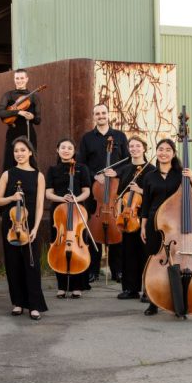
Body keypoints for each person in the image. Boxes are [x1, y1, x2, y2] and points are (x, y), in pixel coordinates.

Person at [140, 138, 192, 316]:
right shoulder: (149, 176)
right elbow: (145, 204)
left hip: (176, 226)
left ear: (174, 154)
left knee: (177, 262)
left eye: (168, 150)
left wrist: (191, 177)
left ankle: (178, 300)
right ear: (156, 152)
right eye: (160, 149)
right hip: (154, 223)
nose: (164, 152)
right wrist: (143, 226)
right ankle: (153, 301)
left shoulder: (180, 175)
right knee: (153, 261)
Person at [0, 137, 47, 319]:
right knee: (13, 264)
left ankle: (34, 305)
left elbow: (40, 204)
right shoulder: (7, 174)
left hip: (31, 224)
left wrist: (36, 228)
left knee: (31, 265)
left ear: (30, 152)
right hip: (11, 225)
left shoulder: (38, 175)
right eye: (16, 151)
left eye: (23, 150)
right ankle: (17, 302)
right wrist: (12, 198)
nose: (19, 154)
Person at [77, 103, 128, 283]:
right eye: (97, 113)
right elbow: (81, 164)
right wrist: (94, 176)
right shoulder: (87, 139)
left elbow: (127, 162)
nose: (101, 116)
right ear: (94, 116)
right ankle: (93, 270)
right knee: (94, 231)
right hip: (95, 191)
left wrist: (117, 172)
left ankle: (118, 271)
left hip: (115, 191)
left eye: (103, 113)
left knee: (117, 230)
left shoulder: (120, 137)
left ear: (108, 114)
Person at [45, 138, 92, 298]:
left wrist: (76, 199)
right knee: (58, 247)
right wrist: (62, 198)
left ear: (74, 151)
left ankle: (77, 286)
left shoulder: (82, 168)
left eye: (69, 148)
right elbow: (48, 193)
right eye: (63, 147)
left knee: (79, 246)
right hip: (58, 212)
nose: (66, 150)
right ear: (57, 150)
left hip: (78, 212)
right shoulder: (52, 170)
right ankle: (61, 286)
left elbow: (87, 191)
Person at [115, 136, 155, 300]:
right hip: (127, 217)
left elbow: (155, 195)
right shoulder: (125, 170)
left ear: (144, 148)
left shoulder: (151, 169)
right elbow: (119, 196)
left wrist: (140, 190)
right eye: (131, 146)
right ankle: (130, 289)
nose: (134, 149)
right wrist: (118, 213)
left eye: (138, 146)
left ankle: (147, 290)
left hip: (143, 216)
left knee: (145, 254)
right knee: (128, 254)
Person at [0, 69, 41, 170]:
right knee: (10, 161)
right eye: (17, 78)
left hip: (28, 132)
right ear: (14, 79)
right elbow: (0, 113)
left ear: (26, 79)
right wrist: (18, 112)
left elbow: (38, 120)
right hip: (13, 132)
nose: (19, 80)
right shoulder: (8, 95)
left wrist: (32, 117)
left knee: (30, 161)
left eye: (22, 78)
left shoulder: (34, 97)